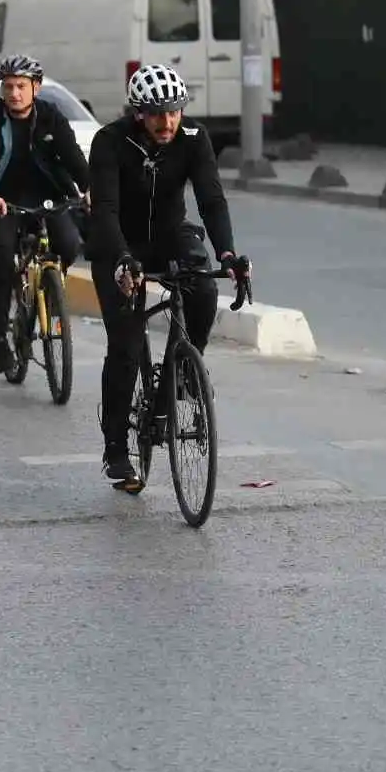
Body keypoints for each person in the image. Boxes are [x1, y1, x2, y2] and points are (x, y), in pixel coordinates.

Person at [87, 63, 252, 484]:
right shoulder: (109, 142)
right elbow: (103, 210)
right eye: (158, 113)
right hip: (119, 242)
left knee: (202, 291)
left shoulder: (194, 139)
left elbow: (211, 200)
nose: (168, 121)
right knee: (125, 345)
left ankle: (180, 373)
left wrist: (228, 253)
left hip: (171, 234)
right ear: (139, 113)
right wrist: (123, 258)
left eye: (175, 111)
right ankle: (115, 446)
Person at [0, 54, 89, 372]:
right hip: (1, 201)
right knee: (2, 261)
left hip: (47, 197)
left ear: (36, 88)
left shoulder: (51, 117)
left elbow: (72, 156)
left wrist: (88, 188)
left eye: (22, 86)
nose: (14, 93)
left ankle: (50, 290)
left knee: (68, 245)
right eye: (9, 86)